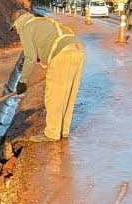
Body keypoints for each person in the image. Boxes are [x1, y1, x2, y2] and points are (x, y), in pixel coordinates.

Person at [11, 9, 85, 142]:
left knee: (54, 96)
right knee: (68, 94)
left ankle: (52, 133)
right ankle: (63, 131)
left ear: (18, 21)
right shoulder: (43, 22)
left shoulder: (26, 29)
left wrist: (23, 81)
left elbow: (30, 58)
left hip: (62, 54)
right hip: (78, 50)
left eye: (15, 27)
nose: (16, 31)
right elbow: (47, 45)